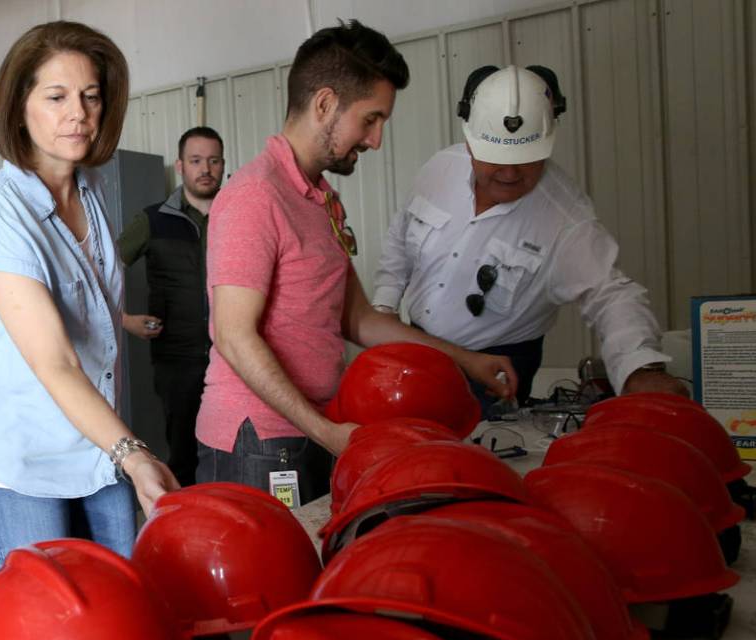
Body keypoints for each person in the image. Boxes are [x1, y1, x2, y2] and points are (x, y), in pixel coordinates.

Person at [195, 20, 516, 505]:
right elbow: (233, 335)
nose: (376, 140)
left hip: (314, 429)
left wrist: (467, 361)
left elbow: (361, 320)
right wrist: (325, 431)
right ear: (324, 104)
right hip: (259, 445)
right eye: (371, 119)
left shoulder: (318, 199)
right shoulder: (255, 195)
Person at [0, 21, 177, 581]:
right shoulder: (0, 210)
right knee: (51, 628)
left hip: (92, 450)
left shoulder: (89, 196)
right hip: (19, 460)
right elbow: (55, 359)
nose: (79, 113)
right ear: (19, 106)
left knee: (117, 611)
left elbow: (92, 323)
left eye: (91, 97)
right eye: (57, 97)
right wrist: (134, 454)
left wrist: (119, 451)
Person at [373, 65, 687, 409]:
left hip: (492, 373)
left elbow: (611, 295)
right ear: (469, 141)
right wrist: (384, 306)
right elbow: (400, 238)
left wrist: (639, 368)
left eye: (527, 159)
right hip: (412, 348)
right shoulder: (440, 167)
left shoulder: (566, 220)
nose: (509, 173)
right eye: (496, 158)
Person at [118, 126, 224, 486]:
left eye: (212, 160)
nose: (205, 169)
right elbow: (99, 270)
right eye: (196, 161)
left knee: (234, 451)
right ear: (181, 166)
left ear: (223, 165)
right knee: (184, 454)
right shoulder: (153, 220)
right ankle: (189, 529)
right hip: (177, 360)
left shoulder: (239, 214)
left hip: (236, 355)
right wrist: (124, 319)